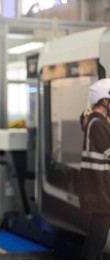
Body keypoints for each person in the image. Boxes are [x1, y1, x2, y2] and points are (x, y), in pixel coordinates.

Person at [78, 78, 110, 259]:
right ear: (105, 101)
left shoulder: (94, 121)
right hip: (101, 195)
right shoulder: (97, 124)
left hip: (101, 194)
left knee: (96, 243)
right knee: (95, 244)